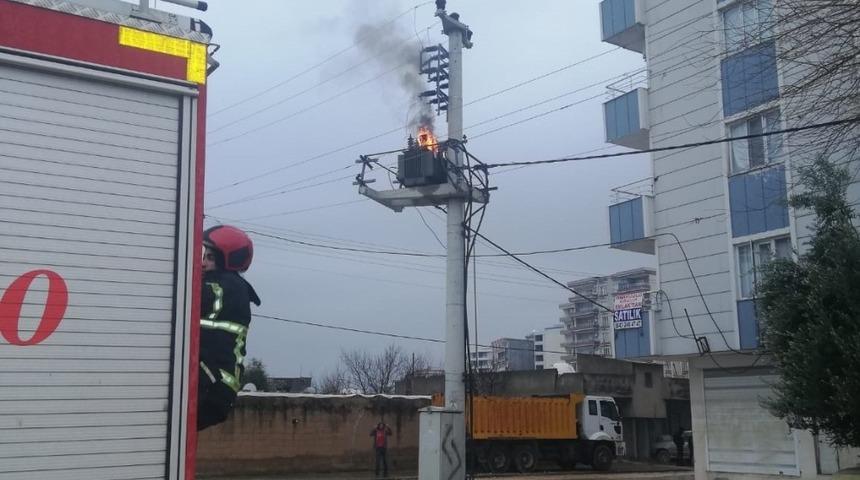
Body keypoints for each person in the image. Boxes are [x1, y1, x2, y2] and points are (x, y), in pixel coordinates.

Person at [197, 225, 261, 431]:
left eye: (210, 258)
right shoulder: (226, 286)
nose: (203, 263)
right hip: (212, 384)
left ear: (227, 261)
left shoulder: (228, 288)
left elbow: (196, 296)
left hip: (213, 386)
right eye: (203, 256)